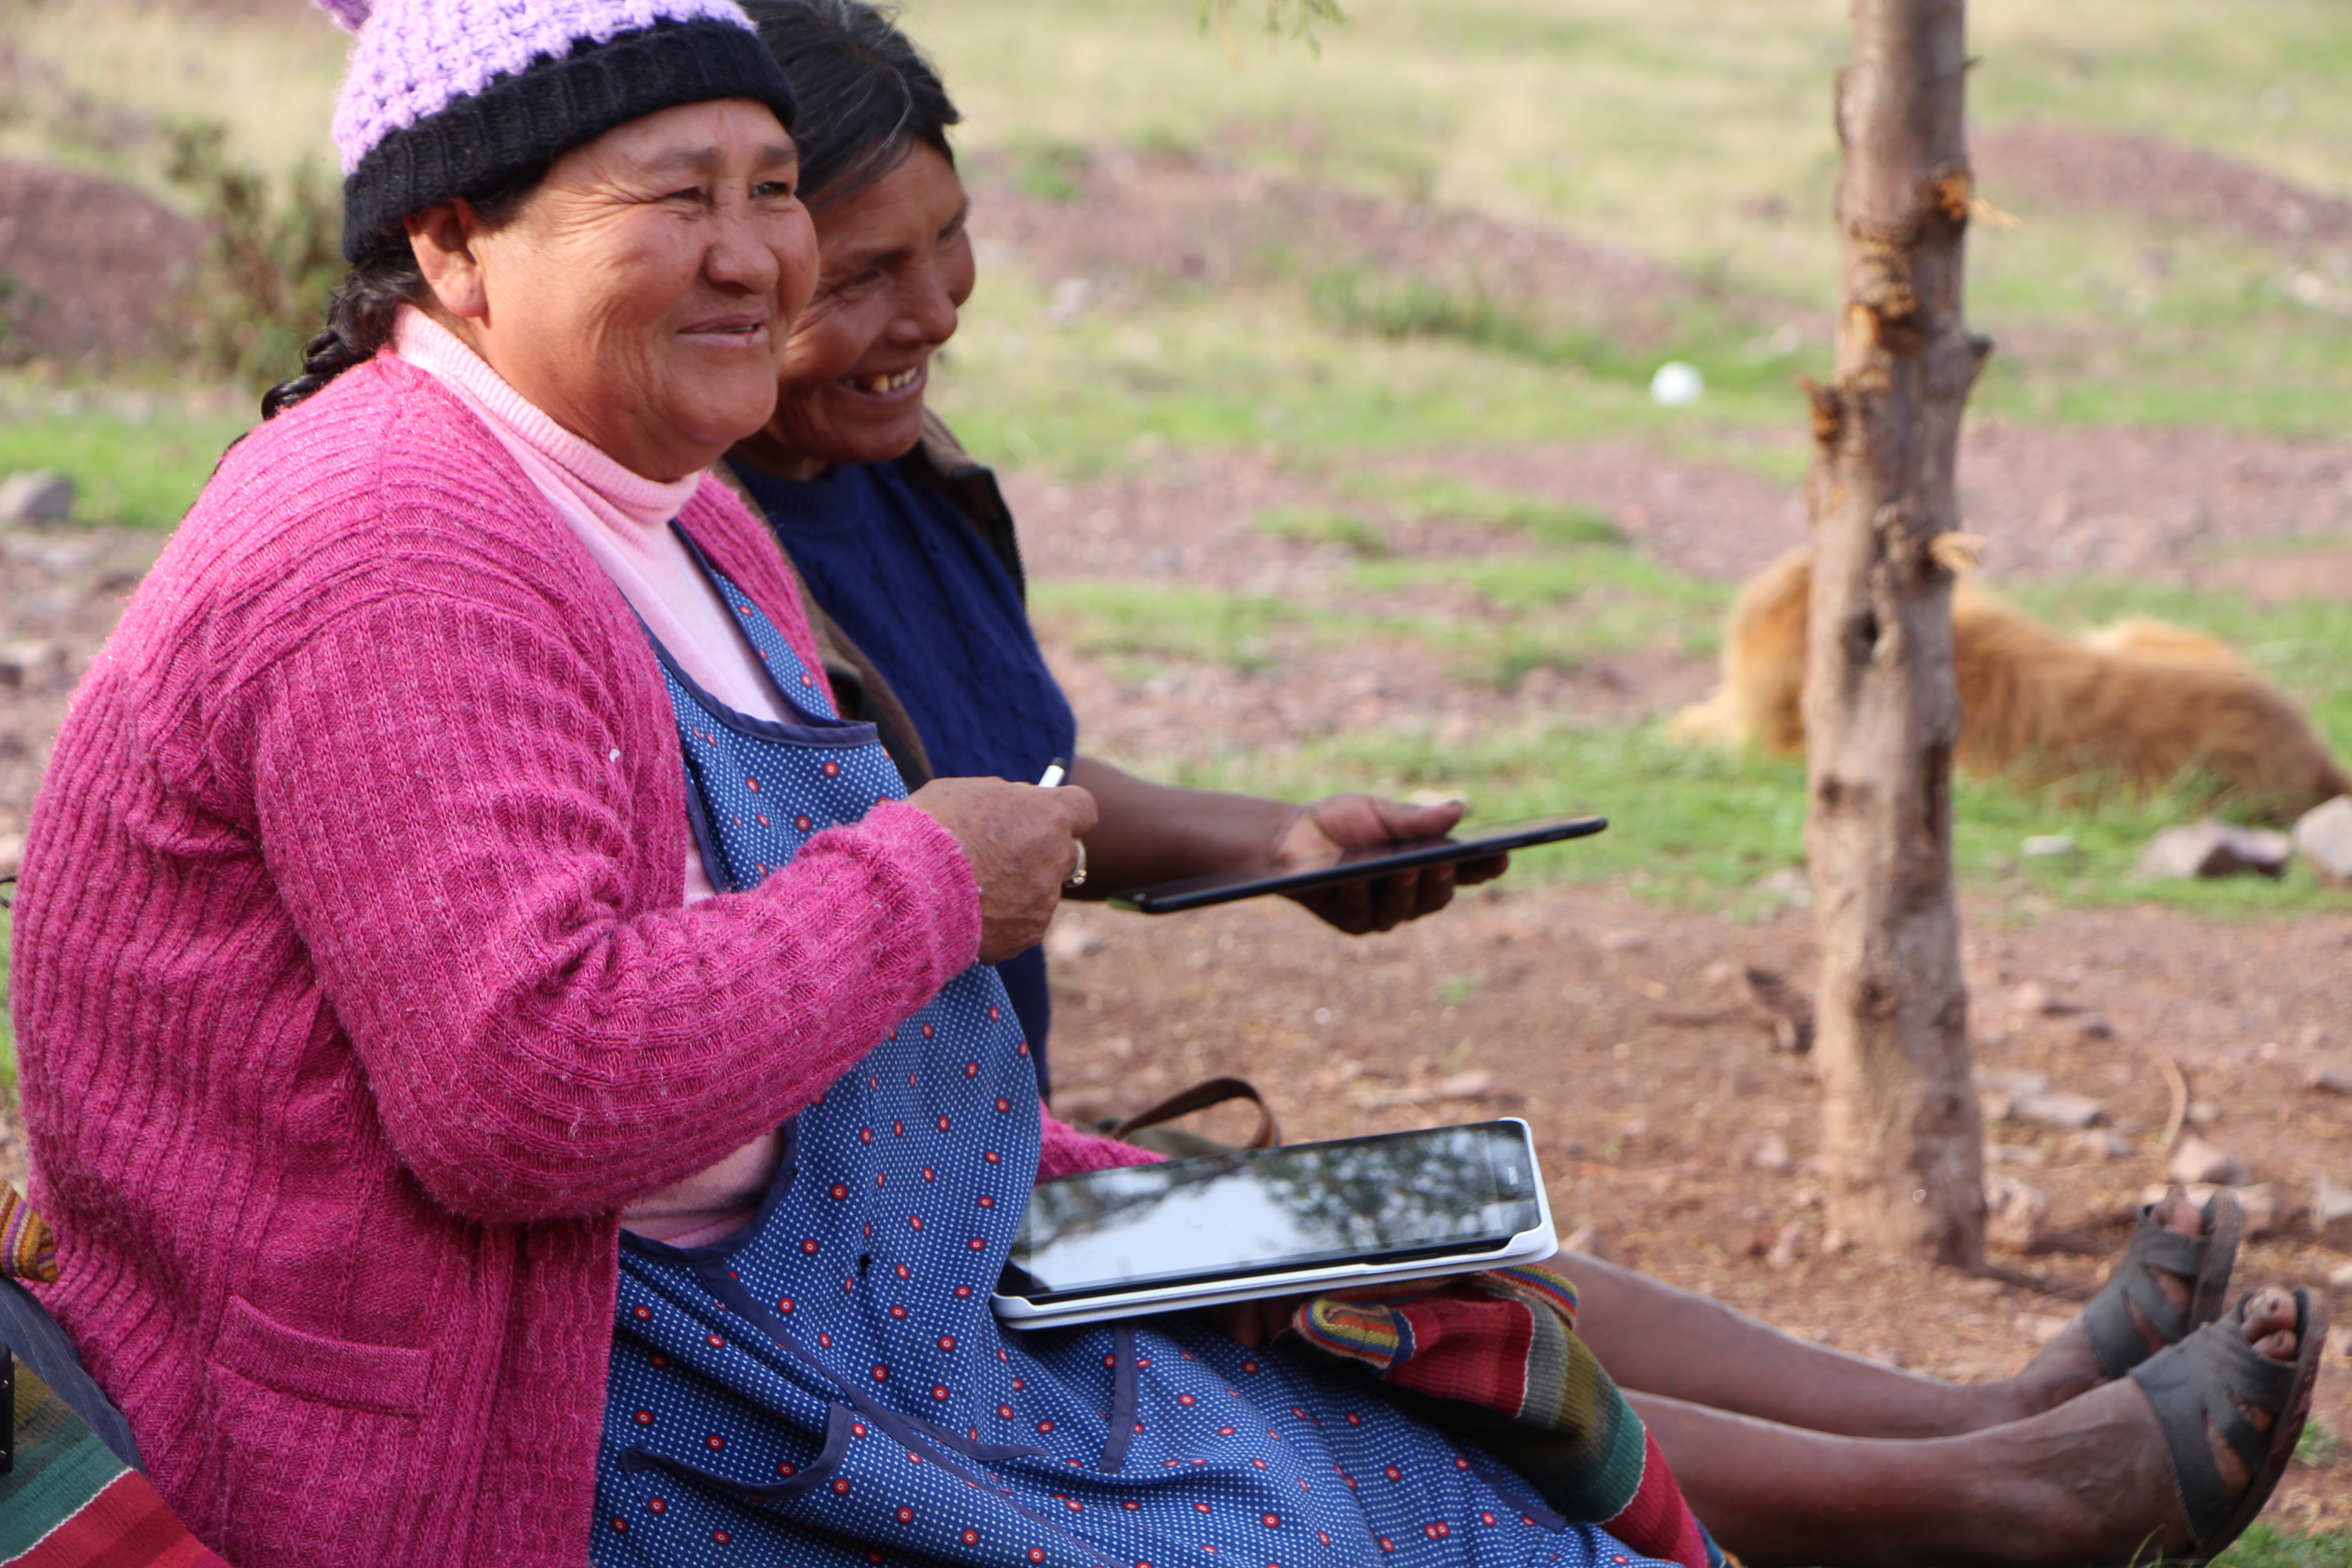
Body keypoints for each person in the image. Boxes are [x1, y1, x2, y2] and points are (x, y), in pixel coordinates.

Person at [7, 3, 1662, 1567]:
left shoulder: (688, 514)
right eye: (675, 199)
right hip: (552, 1393)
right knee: (1312, 1523)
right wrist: (933, 887)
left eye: (774, 189)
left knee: (1442, 1334)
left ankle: (1916, 1483)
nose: (754, 255)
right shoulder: (395, 558)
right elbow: (522, 1092)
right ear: (451, 244)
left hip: (831, 1280)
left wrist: (1152, 1201)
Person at [719, 4, 2327, 1564]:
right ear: (743, 270)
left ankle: (1984, 1415)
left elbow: (1018, 782)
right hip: (902, 1229)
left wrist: (1277, 842)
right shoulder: (715, 570)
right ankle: (2000, 1510)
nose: (934, 310)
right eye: (866, 278)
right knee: (1412, 1311)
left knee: (1454, 1220)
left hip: (1002, 1163)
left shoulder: (909, 478)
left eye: (952, 241)